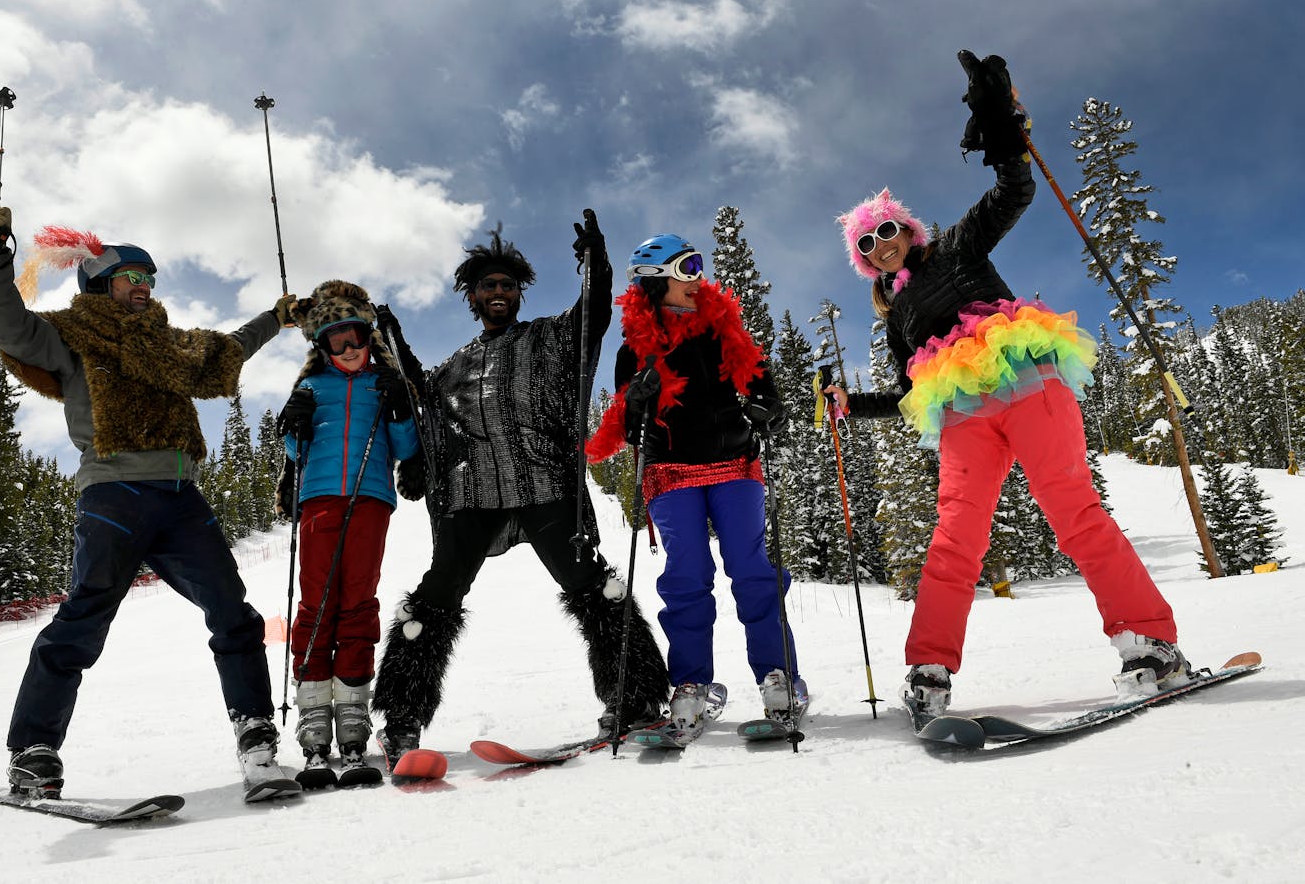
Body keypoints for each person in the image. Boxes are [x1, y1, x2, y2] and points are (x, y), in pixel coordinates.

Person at [819, 52, 1188, 721]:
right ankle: (930, 667)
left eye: (885, 229)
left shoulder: (959, 245)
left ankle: (1151, 642)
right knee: (955, 536)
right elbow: (909, 392)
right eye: (866, 243)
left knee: (1072, 509)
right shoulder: (896, 316)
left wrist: (1002, 129)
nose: (880, 244)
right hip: (963, 413)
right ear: (863, 259)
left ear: (908, 228)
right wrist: (853, 404)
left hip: (1024, 380)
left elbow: (1014, 193)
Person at [0, 208, 297, 798]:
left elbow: (228, 349)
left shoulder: (170, 344)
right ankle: (33, 753)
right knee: (83, 619)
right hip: (112, 494)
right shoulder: (70, 337)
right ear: (98, 284)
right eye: (130, 278)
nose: (143, 287)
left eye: (148, 278)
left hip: (179, 497)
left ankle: (256, 739)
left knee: (233, 612)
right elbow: (11, 327)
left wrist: (275, 317)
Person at [370, 216, 669, 765]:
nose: (500, 293)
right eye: (489, 286)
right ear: (474, 297)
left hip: (545, 484)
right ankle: (402, 718)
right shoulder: (454, 365)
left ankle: (637, 699)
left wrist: (595, 267)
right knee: (436, 595)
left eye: (508, 285)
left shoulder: (550, 338)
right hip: (473, 493)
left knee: (592, 585)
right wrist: (395, 345)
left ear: (519, 293)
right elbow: (421, 398)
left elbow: (593, 317)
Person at [586, 235, 806, 740]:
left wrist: (768, 406)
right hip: (671, 471)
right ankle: (689, 686)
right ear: (657, 279)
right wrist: (636, 400)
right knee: (686, 575)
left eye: (698, 264)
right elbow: (625, 418)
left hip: (735, 463)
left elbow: (759, 382)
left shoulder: (722, 329)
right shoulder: (633, 347)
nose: (697, 276)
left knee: (752, 570)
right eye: (688, 266)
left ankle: (779, 677)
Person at [273, 280, 421, 779]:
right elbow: (296, 452)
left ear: (368, 337)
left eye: (355, 336)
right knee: (318, 603)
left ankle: (352, 711)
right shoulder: (314, 387)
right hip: (318, 499)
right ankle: (314, 711)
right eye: (337, 341)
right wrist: (293, 422)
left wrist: (401, 408)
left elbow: (403, 449)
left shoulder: (384, 382)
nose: (349, 348)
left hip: (371, 498)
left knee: (358, 600)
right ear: (323, 347)